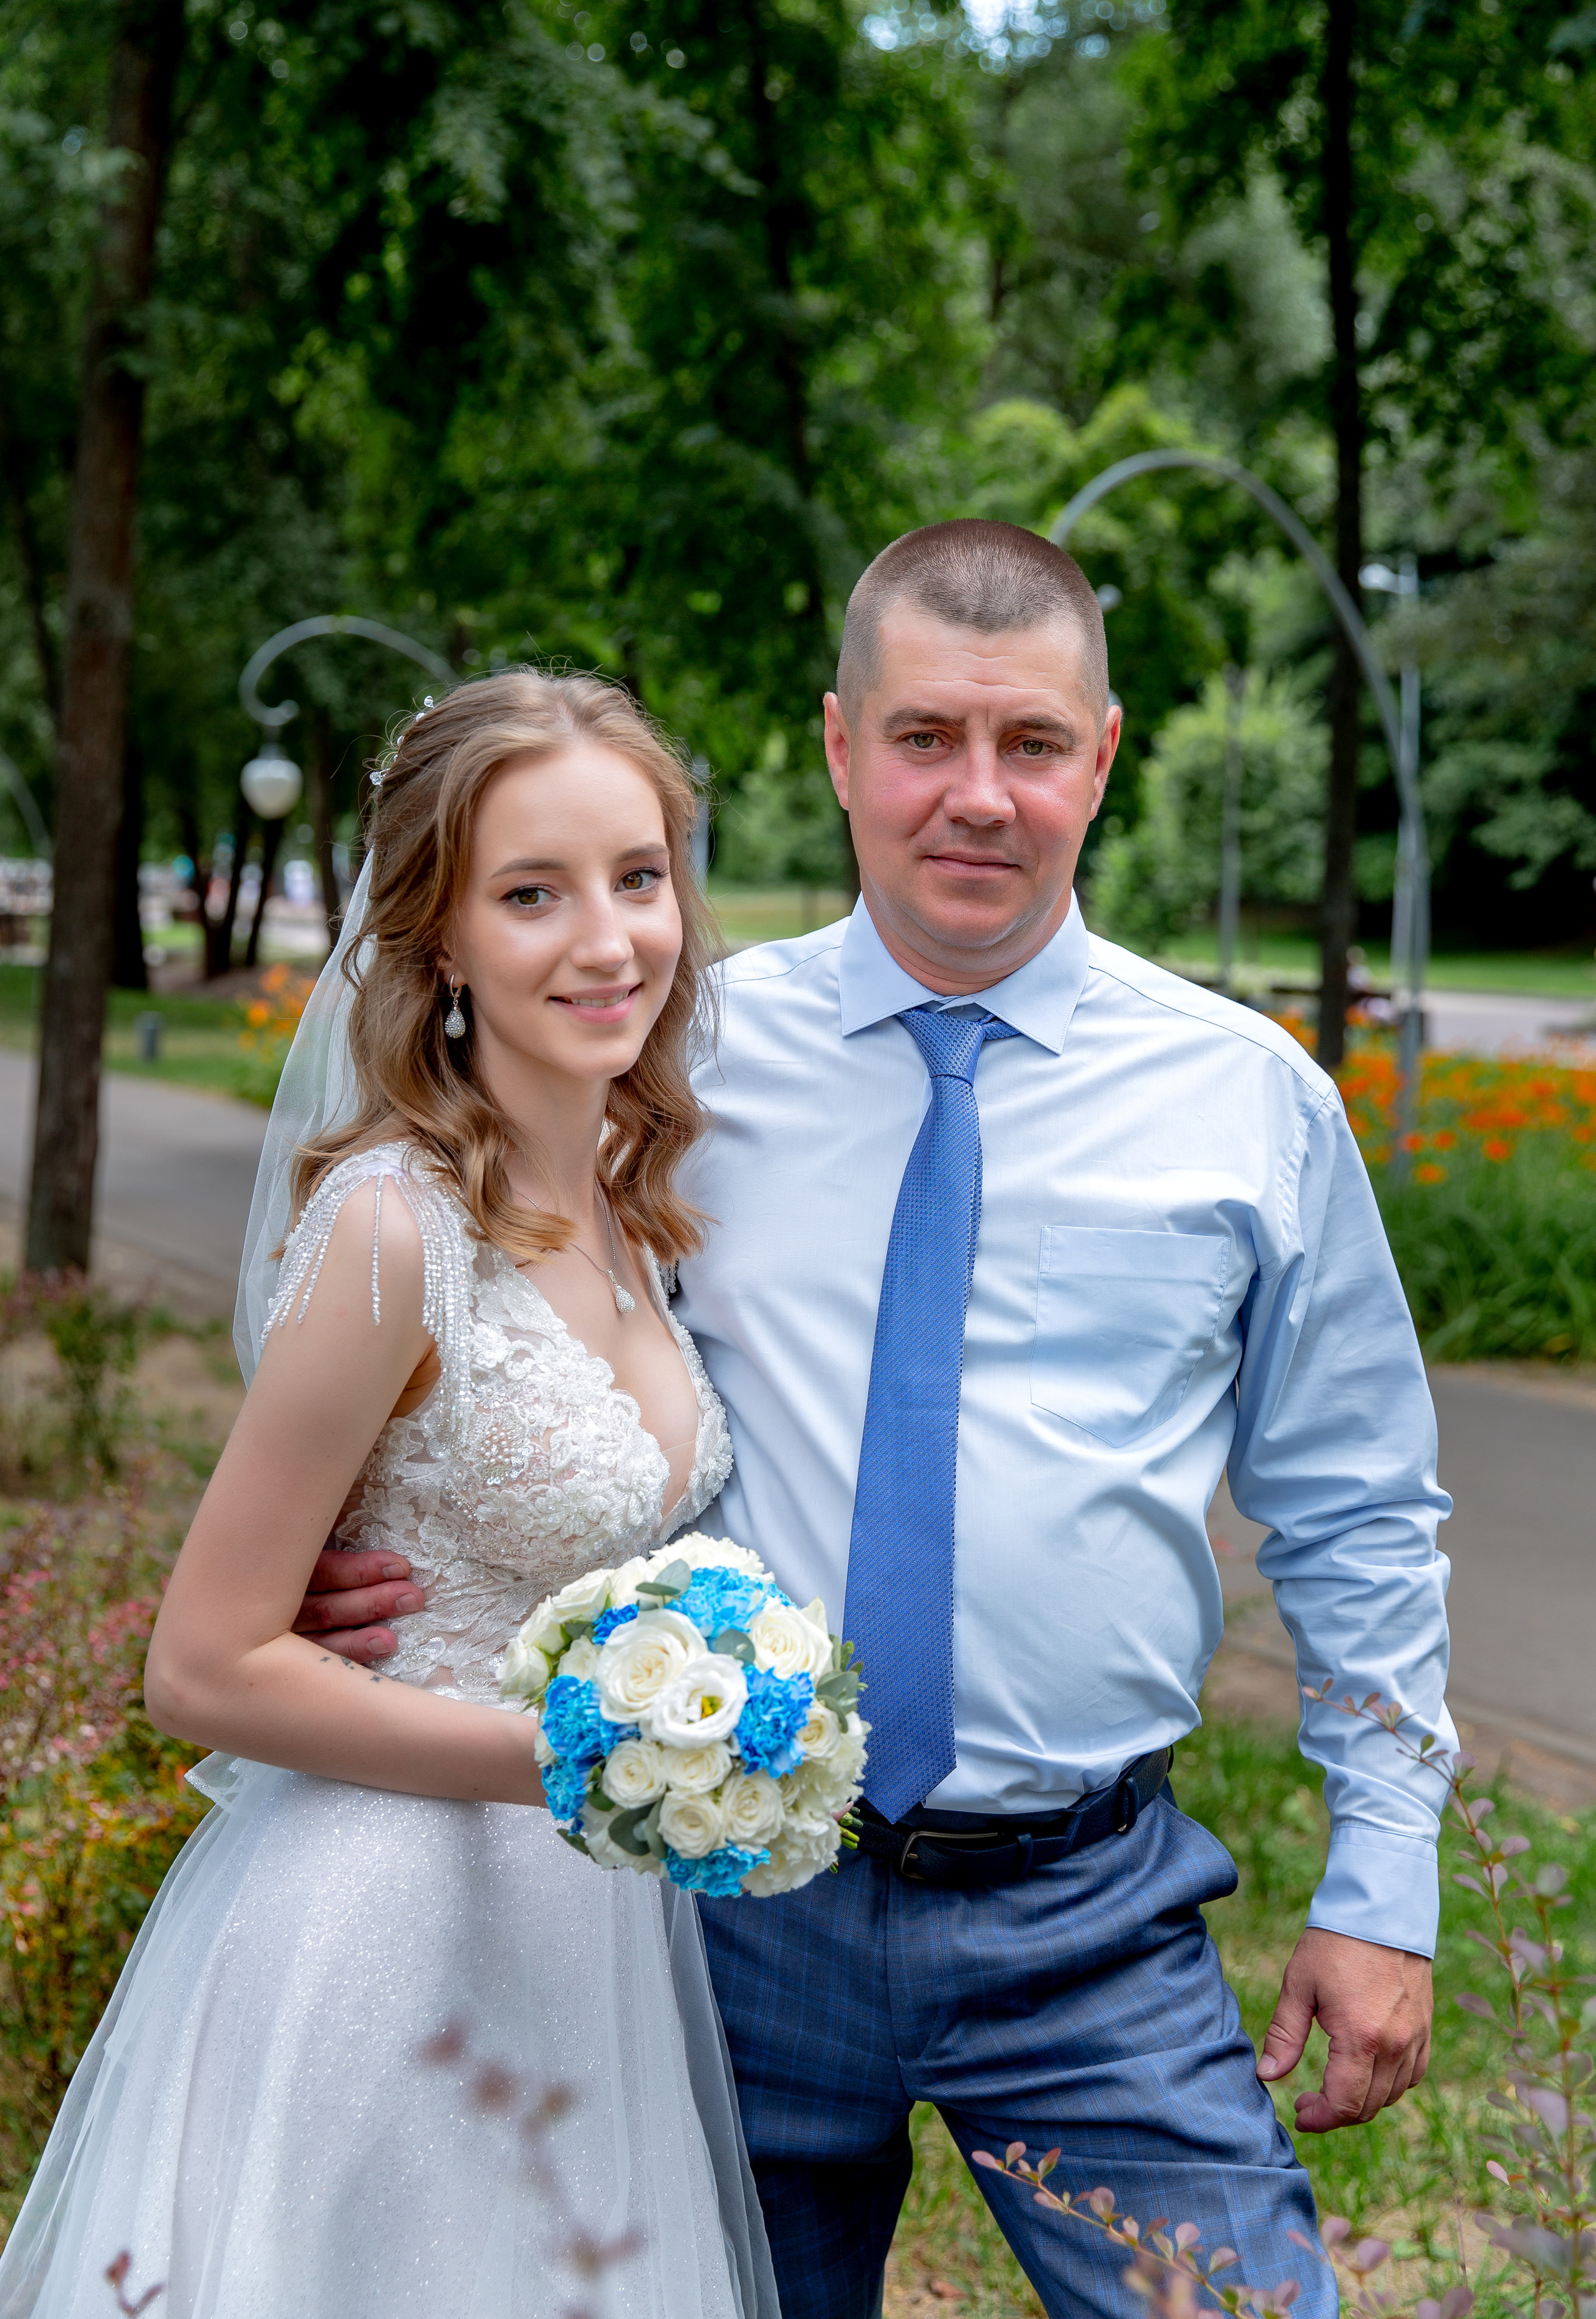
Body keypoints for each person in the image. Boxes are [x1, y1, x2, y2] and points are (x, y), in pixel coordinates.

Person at [305, 521, 1455, 2319]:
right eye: (926, 739)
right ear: (842, 749)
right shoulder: (664, 1070)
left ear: (1105, 759)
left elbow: (1363, 1506)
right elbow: (468, 1321)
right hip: (720, 1912)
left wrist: (1386, 1878)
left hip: (1090, 1916)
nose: (976, 797)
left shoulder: (1252, 1108)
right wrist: (359, 1561)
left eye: (1032, 746)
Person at [0, 673, 777, 2319]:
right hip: (385, 1924)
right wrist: (593, 1756)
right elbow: (200, 1666)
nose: (608, 940)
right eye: (531, 894)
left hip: (581, 1932)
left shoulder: (635, 1214)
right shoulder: (390, 1232)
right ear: (439, 941)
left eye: (639, 878)